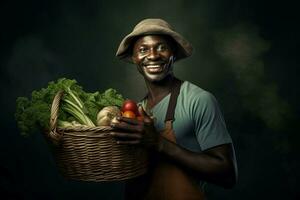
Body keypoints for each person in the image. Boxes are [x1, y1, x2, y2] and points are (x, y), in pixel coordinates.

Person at [111, 18, 238, 200]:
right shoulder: (137, 111)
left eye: (162, 47)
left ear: (174, 54)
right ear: (134, 58)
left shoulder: (199, 100)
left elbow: (228, 175)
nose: (153, 55)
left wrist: (158, 143)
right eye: (143, 49)